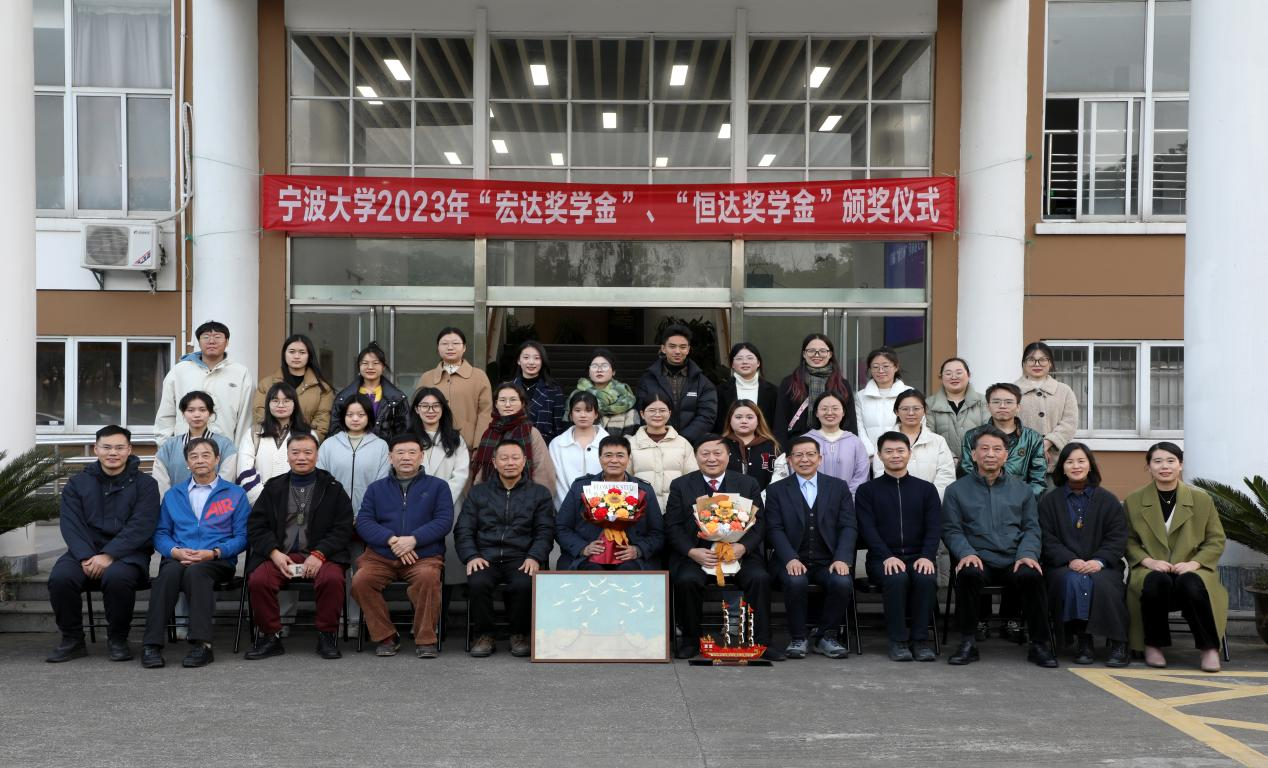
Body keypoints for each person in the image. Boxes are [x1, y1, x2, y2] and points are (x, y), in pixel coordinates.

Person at [942, 427, 1056, 668]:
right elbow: (951, 529)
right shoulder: (956, 490)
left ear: (1006, 455)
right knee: (968, 574)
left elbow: (1031, 528)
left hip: (1013, 558)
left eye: (997, 449)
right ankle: (967, 642)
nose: (990, 454)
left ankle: (1039, 644)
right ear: (973, 455)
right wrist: (966, 552)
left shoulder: (1022, 490)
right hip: (978, 557)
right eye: (984, 449)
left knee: (1032, 575)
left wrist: (1027, 554)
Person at [46, 426, 159, 663]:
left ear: (129, 450)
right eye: (106, 447)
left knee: (117, 577)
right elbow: (71, 524)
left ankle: (118, 639)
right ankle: (72, 640)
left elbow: (141, 526)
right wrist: (86, 556)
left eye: (119, 447)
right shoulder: (77, 483)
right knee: (61, 578)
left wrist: (109, 555)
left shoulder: (146, 484)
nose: (113, 453)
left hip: (128, 554)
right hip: (83, 553)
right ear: (96, 449)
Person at [663, 435, 782, 661]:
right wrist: (692, 552)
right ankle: (690, 640)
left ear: (728, 456)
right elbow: (673, 525)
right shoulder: (681, 485)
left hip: (739, 555)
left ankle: (762, 642)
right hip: (699, 554)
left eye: (717, 453)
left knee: (760, 578)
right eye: (705, 453)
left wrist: (743, 547)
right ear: (696, 457)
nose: (711, 459)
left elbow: (760, 524)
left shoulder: (748, 484)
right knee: (686, 581)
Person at [141, 437, 250, 669]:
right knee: (166, 576)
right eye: (194, 456)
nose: (200, 460)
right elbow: (161, 533)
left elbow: (243, 536)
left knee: (197, 573)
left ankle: (202, 645)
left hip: (217, 559)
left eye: (206, 455)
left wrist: (215, 552)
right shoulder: (173, 494)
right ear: (187, 463)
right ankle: (151, 645)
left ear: (217, 459)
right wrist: (175, 551)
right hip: (179, 556)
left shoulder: (235, 494)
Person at [243, 433, 353, 661]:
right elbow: (256, 526)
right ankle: (270, 636)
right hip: (281, 555)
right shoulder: (273, 487)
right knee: (259, 580)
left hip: (321, 555)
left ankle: (327, 635)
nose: (301, 457)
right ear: (288, 456)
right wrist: (274, 553)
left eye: (307, 452)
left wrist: (319, 554)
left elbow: (343, 528)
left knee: (332, 579)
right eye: (295, 452)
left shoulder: (332, 488)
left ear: (317, 455)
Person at [1124, 442, 1227, 673]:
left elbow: (1216, 539)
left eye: (1171, 461)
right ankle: (1153, 645)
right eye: (1158, 461)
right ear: (1148, 466)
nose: (1165, 467)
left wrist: (1195, 563)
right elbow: (1128, 541)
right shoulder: (1134, 500)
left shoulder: (1201, 500)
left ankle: (1209, 648)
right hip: (1150, 568)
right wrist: (1148, 561)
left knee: (1190, 584)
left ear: (1180, 465)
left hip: (1193, 567)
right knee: (1155, 582)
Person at [351, 433, 454, 658]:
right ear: (390, 457)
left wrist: (413, 540)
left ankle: (425, 638)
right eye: (400, 452)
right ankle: (386, 636)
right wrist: (392, 540)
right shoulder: (376, 488)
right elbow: (364, 521)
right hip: (381, 555)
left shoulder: (438, 487)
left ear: (421, 456)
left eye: (411, 452)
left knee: (428, 578)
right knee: (361, 581)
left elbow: (444, 521)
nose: (406, 457)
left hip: (423, 555)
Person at [455, 439, 556, 658]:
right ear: (494, 462)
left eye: (515, 458)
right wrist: (471, 555)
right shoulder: (478, 492)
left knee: (524, 583)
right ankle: (484, 635)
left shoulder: (539, 493)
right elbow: (464, 528)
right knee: (478, 582)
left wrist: (534, 556)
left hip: (521, 556)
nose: (510, 463)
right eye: (504, 458)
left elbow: (545, 531)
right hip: (485, 556)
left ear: (524, 461)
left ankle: (519, 634)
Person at [1038, 442, 1130, 667]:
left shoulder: (1108, 500)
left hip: (1103, 564)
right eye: (1070, 462)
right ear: (1062, 468)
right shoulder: (1049, 501)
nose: (1076, 466)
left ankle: (1118, 642)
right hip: (1063, 565)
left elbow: (1117, 537)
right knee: (1072, 581)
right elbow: (1046, 538)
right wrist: (1070, 559)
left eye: (1081, 461)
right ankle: (1083, 640)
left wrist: (1099, 561)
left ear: (1090, 466)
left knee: (1104, 584)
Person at [764, 436, 856, 660]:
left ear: (820, 458)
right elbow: (774, 529)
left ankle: (826, 636)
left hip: (828, 560)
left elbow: (848, 526)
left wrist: (842, 558)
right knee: (796, 581)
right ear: (789, 460)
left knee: (842, 582)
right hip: (790, 560)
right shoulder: (776, 490)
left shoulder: (838, 487)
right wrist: (790, 558)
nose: (804, 459)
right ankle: (798, 638)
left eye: (810, 454)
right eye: (798, 455)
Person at [856, 431, 941, 662]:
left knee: (925, 578)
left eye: (900, 450)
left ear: (909, 453)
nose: (895, 455)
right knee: (896, 578)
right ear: (879, 456)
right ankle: (898, 641)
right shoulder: (867, 491)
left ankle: (920, 641)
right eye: (889, 451)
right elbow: (867, 529)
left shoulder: (926, 489)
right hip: (881, 559)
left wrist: (927, 556)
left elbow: (934, 527)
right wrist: (886, 556)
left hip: (919, 557)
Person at [556, 435, 664, 571]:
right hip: (588, 557)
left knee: (628, 572)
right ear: (600, 458)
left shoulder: (643, 490)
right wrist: (583, 548)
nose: (614, 460)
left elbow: (657, 532)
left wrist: (638, 550)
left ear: (628, 458)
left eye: (620, 455)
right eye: (608, 455)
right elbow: (561, 527)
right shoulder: (580, 488)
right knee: (592, 572)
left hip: (631, 559)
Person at [154, 320, 254, 448]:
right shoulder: (179, 371)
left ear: (227, 342)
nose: (211, 341)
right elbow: (166, 413)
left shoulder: (240, 373)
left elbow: (245, 418)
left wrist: (239, 452)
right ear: (198, 342)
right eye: (206, 337)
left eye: (217, 337)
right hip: (184, 448)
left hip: (225, 449)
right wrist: (165, 447)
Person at [410, 386, 471, 588]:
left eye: (436, 406)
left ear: (443, 409)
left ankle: (444, 605)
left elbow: (460, 475)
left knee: (448, 565)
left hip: (450, 504)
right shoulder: (408, 438)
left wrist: (440, 500)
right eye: (425, 406)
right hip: (415, 506)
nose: (431, 410)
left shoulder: (455, 439)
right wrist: (423, 500)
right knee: (420, 566)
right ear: (416, 409)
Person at [635, 324, 717, 446]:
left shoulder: (702, 382)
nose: (677, 351)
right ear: (663, 348)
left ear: (688, 349)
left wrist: (681, 440)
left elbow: (707, 416)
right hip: (656, 443)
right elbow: (641, 412)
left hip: (691, 444)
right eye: (672, 346)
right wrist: (665, 437)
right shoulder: (647, 380)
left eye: (682, 347)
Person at [960, 383, 1046, 497]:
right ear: (988, 406)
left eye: (1008, 402)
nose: (1002, 406)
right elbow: (967, 473)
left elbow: (1038, 479)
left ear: (1018, 407)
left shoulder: (1033, 438)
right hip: (981, 501)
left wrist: (1023, 501)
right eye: (996, 402)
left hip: (1019, 502)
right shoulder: (972, 436)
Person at [773, 333, 857, 446]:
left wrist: (851, 445)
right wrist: (782, 450)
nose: (817, 355)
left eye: (822, 351)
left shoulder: (842, 385)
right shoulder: (789, 383)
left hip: (835, 444)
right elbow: (780, 421)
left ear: (830, 354)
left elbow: (850, 421)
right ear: (804, 354)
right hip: (798, 445)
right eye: (811, 351)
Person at [870, 389, 956, 499]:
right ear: (896, 411)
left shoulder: (938, 441)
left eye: (916, 408)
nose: (911, 413)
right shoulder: (884, 441)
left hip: (930, 503)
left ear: (925, 411)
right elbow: (879, 473)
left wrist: (931, 500)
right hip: (893, 502)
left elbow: (946, 476)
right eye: (905, 409)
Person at [416, 327, 493, 449]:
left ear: (464, 347)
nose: (450, 347)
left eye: (456, 343)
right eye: (444, 344)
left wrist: (479, 445)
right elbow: (417, 412)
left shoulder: (479, 376)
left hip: (468, 446)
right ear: (438, 348)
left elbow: (485, 413)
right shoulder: (427, 377)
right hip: (431, 445)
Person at [470, 382, 555, 488]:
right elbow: (480, 473)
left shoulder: (531, 433)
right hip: (490, 494)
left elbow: (543, 472)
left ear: (522, 403)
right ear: (496, 404)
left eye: (513, 400)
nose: (507, 405)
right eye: (502, 400)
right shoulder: (488, 433)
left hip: (525, 494)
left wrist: (538, 497)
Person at [152, 391, 238, 496]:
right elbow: (161, 482)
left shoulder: (225, 445)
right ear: (183, 413)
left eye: (202, 410)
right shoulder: (169, 446)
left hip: (215, 503)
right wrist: (171, 502)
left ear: (210, 413)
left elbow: (226, 480)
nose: (197, 415)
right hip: (176, 503)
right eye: (190, 410)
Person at [237, 381, 310, 504]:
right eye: (275, 401)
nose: (281, 405)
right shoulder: (254, 433)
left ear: (295, 404)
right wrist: (264, 501)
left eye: (286, 401)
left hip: (296, 504)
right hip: (259, 503)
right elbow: (244, 471)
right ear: (268, 404)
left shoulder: (308, 434)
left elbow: (311, 470)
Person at [251, 333, 335, 441]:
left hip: (304, 445)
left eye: (302, 352)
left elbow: (322, 424)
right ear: (284, 354)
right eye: (292, 352)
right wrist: (277, 438)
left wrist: (303, 443)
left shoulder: (323, 389)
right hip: (271, 441)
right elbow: (260, 414)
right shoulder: (266, 384)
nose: (296, 356)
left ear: (309, 355)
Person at [316, 394, 390, 514]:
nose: (355, 419)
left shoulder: (381, 446)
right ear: (343, 416)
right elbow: (320, 479)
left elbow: (382, 483)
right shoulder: (329, 444)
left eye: (361, 415)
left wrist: (364, 512)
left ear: (369, 416)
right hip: (333, 513)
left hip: (369, 514)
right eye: (349, 415)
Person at [1016, 341, 1079, 473]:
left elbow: (1070, 422)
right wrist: (1032, 448)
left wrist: (1047, 443)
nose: (1037, 364)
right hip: (1020, 462)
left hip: (1056, 463)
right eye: (1031, 359)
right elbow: (1007, 423)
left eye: (1043, 360)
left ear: (1050, 363)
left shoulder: (1064, 391)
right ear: (1024, 364)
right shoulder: (1012, 391)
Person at [629, 394, 698, 511]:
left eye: (662, 410)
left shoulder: (683, 443)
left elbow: (692, 478)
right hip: (641, 510)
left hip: (676, 509)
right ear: (642, 414)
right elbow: (625, 478)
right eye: (652, 410)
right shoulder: (631, 444)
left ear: (669, 413)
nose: (657, 414)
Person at [330, 342, 410, 442]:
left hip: (386, 450)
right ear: (359, 366)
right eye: (365, 363)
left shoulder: (397, 398)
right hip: (351, 449)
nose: (370, 367)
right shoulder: (344, 397)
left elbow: (404, 433)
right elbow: (335, 430)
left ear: (383, 367)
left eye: (375, 363)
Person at [926, 357, 988, 474]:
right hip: (943, 465)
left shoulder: (983, 401)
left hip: (978, 466)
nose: (953, 377)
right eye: (948, 373)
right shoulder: (930, 404)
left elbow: (989, 432)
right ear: (941, 377)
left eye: (959, 372)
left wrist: (971, 458)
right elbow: (929, 434)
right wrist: (951, 458)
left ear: (968, 375)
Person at [548, 390, 609, 506]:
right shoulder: (557, 444)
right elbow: (555, 481)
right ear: (571, 415)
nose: (583, 415)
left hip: (603, 508)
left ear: (596, 414)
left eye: (588, 410)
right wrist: (568, 507)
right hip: (565, 508)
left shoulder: (608, 443)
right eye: (577, 410)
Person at [805, 392, 869, 495]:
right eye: (824, 409)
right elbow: (798, 472)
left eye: (835, 408)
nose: (829, 412)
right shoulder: (805, 441)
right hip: (812, 501)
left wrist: (847, 498)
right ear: (816, 413)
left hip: (848, 501)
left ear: (843, 412)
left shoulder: (855, 442)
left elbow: (862, 475)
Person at [854, 346, 912, 455]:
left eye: (885, 366)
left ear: (896, 367)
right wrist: (870, 454)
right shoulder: (860, 396)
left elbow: (916, 426)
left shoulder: (909, 393)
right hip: (870, 457)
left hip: (901, 456)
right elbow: (859, 427)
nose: (880, 371)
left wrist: (901, 452)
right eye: (875, 367)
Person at [572, 348, 639, 434]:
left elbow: (630, 437)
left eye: (604, 366)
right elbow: (568, 428)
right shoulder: (577, 395)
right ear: (589, 372)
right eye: (594, 366)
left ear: (613, 371)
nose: (599, 370)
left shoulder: (626, 397)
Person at [512, 340, 566, 444]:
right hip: (513, 445)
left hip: (544, 446)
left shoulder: (554, 389)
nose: (531, 362)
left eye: (536, 358)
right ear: (518, 360)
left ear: (542, 361)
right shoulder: (508, 388)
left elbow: (558, 426)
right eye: (526, 357)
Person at [715, 342, 778, 432]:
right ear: (732, 364)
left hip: (765, 439)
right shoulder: (719, 391)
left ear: (758, 363)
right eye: (739, 359)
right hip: (729, 439)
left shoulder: (774, 392)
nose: (745, 362)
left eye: (750, 358)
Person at [721, 399, 780, 493]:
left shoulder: (772, 446)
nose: (744, 421)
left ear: (758, 420)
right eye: (738, 417)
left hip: (765, 499)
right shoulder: (719, 445)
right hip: (726, 500)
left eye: (749, 417)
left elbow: (780, 478)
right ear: (730, 420)